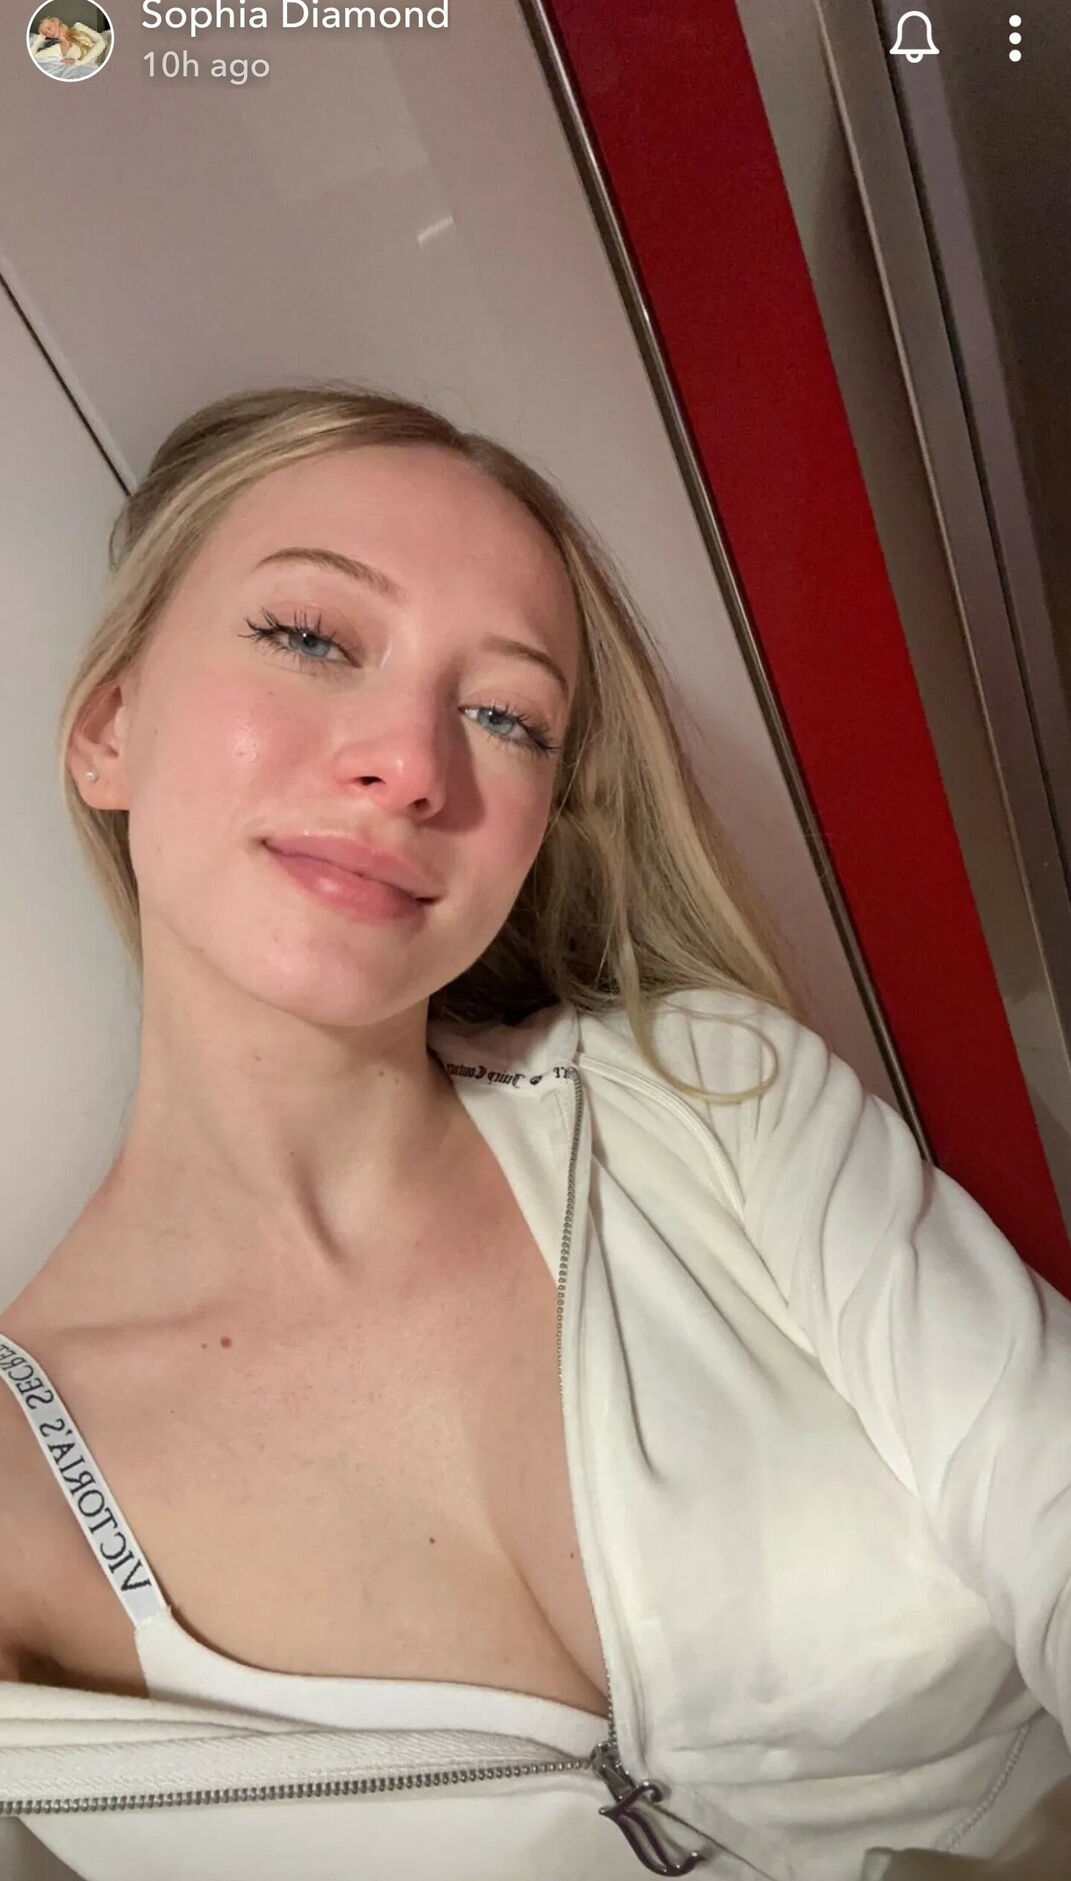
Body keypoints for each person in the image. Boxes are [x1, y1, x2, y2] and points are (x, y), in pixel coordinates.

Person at [0, 382, 1069, 1881]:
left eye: (506, 716)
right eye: (310, 637)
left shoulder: (712, 1097)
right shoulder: (18, 1500)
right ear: (108, 729)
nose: (412, 764)